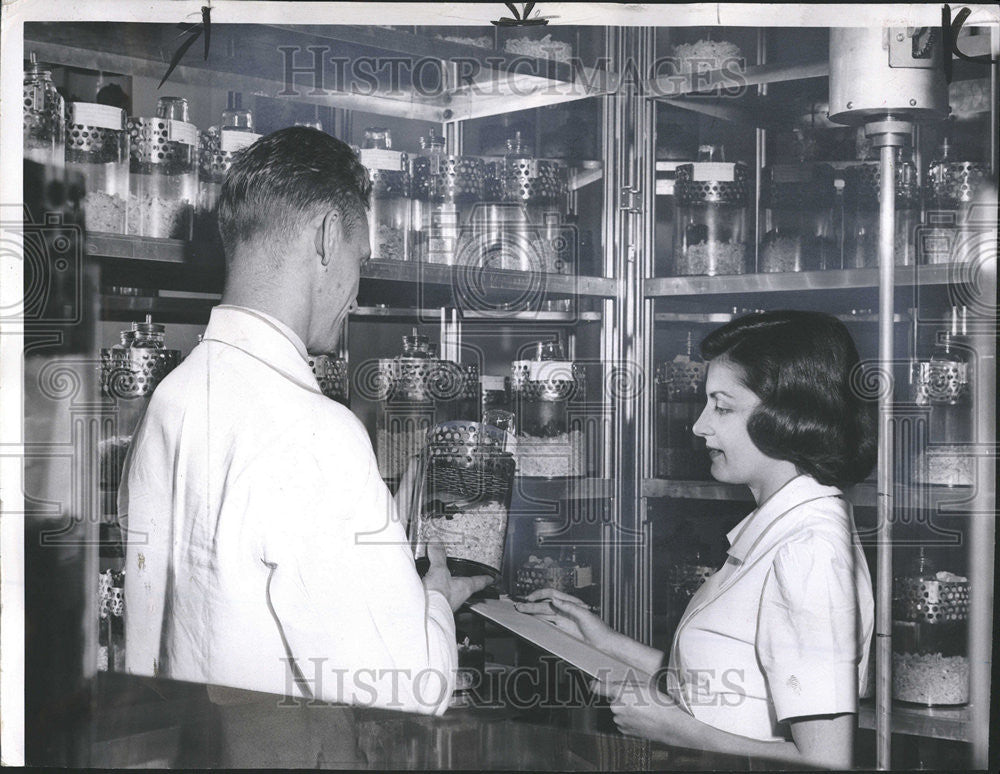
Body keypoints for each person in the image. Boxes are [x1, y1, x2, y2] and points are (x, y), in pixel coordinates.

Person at [120, 127, 491, 765]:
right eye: (360, 261)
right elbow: (413, 686)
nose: (357, 291)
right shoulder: (316, 429)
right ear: (325, 239)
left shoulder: (171, 397)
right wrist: (433, 596)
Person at [516, 310, 876, 769]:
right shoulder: (781, 528)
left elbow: (828, 761)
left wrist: (677, 730)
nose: (699, 425)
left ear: (789, 417)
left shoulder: (809, 551)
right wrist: (604, 641)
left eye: (722, 407)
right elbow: (733, 686)